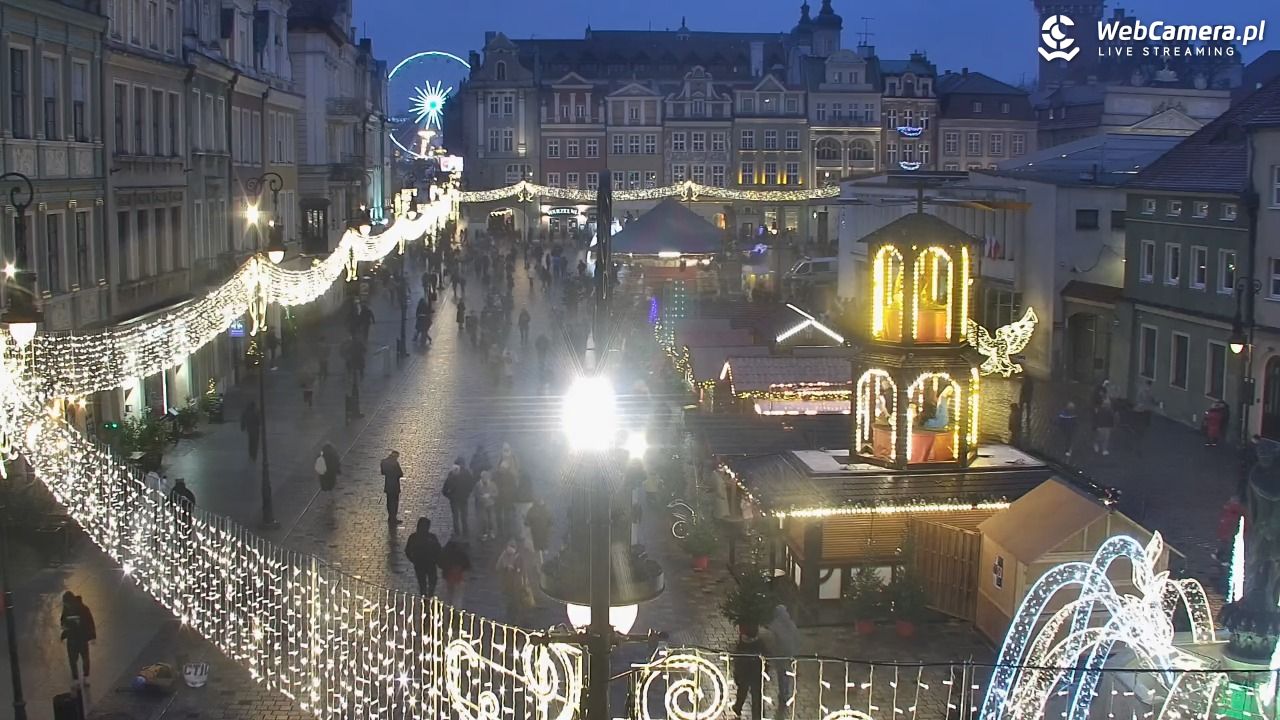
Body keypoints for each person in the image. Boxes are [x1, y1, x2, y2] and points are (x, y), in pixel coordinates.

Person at [765, 605, 800, 710]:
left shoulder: (775, 625)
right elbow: (796, 637)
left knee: (781, 674)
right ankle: (786, 691)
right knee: (787, 672)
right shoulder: (791, 623)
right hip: (790, 653)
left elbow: (771, 639)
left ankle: (783, 693)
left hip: (780, 653)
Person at [60, 591, 96, 684]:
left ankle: (85, 676)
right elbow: (63, 621)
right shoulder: (66, 610)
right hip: (72, 639)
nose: (65, 605)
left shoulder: (83, 609)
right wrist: (64, 629)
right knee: (72, 660)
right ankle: (76, 678)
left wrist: (92, 636)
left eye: (65, 603)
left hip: (81, 638)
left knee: (85, 659)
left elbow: (90, 622)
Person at [731, 625, 766, 720]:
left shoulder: (741, 646)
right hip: (756, 673)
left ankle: (738, 707)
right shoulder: (760, 644)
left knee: (742, 690)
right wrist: (766, 671)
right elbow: (766, 658)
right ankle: (757, 715)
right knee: (757, 694)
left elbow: (737, 662)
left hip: (744, 673)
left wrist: (736, 675)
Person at [404, 517, 442, 596]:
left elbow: (438, 549)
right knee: (424, 583)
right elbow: (407, 550)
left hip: (428, 564)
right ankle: (426, 597)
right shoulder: (417, 537)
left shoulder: (428, 537)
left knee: (429, 582)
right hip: (422, 564)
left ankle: (427, 596)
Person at [496, 540, 531, 621]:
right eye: (509, 547)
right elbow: (498, 566)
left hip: (516, 583)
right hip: (507, 582)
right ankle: (511, 612)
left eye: (511, 547)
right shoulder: (504, 555)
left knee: (516, 599)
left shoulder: (518, 557)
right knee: (509, 598)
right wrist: (506, 567)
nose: (509, 549)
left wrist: (514, 568)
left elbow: (522, 570)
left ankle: (517, 614)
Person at [442, 457, 475, 537]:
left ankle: (458, 532)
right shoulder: (466, 473)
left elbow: (444, 489)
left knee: (457, 517)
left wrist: (450, 496)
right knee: (463, 516)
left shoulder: (453, 474)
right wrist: (467, 493)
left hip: (455, 500)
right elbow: (471, 485)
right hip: (462, 499)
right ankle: (465, 532)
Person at [439, 538, 472, 607]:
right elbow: (468, 566)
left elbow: (440, 564)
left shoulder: (445, 554)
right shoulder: (462, 554)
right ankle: (456, 610)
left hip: (447, 577)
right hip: (459, 578)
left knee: (448, 595)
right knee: (458, 597)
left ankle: (448, 608)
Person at [524, 499, 553, 564]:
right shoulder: (533, 510)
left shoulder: (546, 509)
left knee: (541, 552)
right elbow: (527, 522)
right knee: (538, 551)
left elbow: (551, 521)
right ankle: (539, 566)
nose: (541, 501)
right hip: (537, 534)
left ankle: (540, 566)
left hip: (542, 535)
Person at [381, 450, 404, 525]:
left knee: (389, 501)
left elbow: (383, 472)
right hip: (395, 486)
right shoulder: (395, 463)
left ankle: (390, 517)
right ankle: (393, 518)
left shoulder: (384, 462)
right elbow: (400, 474)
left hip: (388, 485)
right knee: (395, 502)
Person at [474, 471, 498, 541]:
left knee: (491, 519)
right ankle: (484, 534)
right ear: (481, 477)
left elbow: (496, 493)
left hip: (490, 504)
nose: (485, 479)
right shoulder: (478, 485)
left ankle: (491, 532)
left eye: (487, 477)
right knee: (484, 520)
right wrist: (481, 497)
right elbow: (475, 494)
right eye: (484, 477)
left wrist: (490, 495)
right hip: (482, 505)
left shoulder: (492, 484)